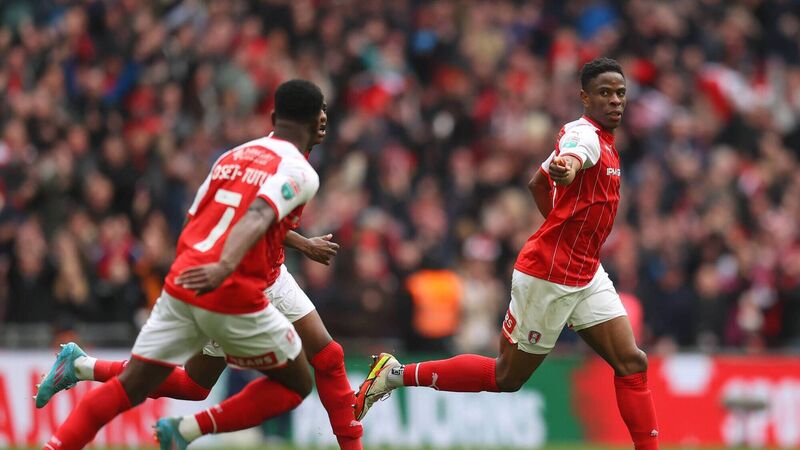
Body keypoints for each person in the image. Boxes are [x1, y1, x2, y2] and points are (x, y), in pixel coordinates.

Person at [353, 58, 660, 450]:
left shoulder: (607, 143)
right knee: (506, 377)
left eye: (620, 93)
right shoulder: (583, 135)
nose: (615, 100)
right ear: (585, 97)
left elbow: (537, 183)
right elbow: (569, 159)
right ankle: (394, 374)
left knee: (632, 362)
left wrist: (562, 222)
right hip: (549, 276)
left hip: (586, 271)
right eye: (604, 93)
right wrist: (567, 170)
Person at [36, 89, 362, 450]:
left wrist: (301, 244)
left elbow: (211, 217)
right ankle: (186, 429)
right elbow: (256, 216)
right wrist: (223, 266)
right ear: (315, 122)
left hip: (226, 272)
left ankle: (81, 368)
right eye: (321, 113)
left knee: (327, 357)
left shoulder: (234, 157)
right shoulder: (299, 171)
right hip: (235, 281)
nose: (325, 120)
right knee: (286, 383)